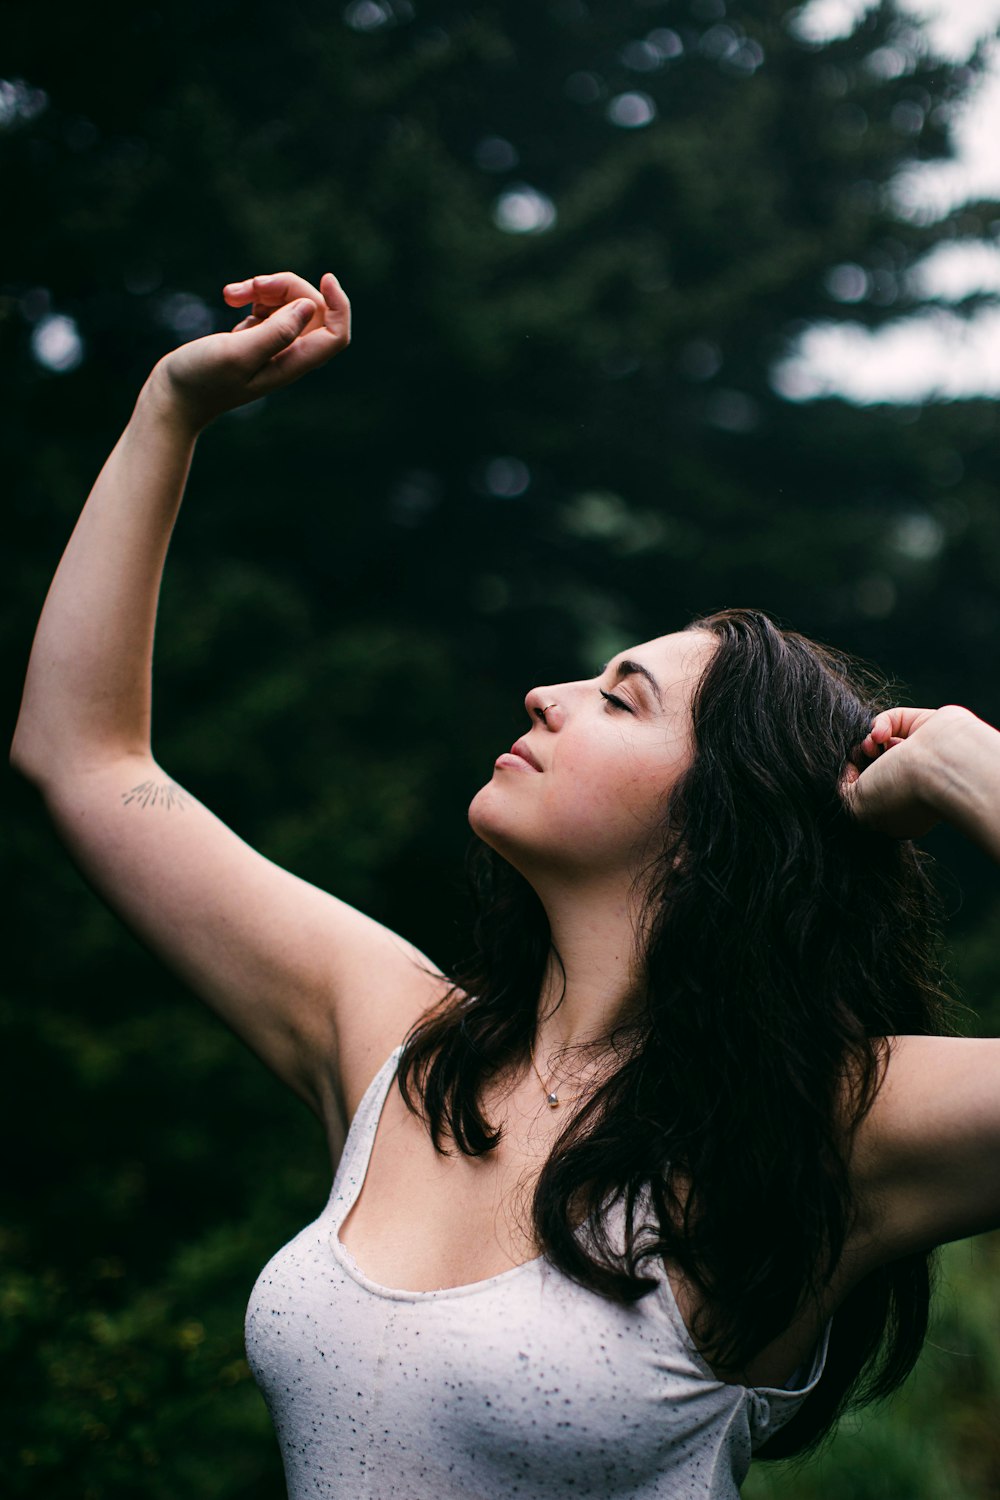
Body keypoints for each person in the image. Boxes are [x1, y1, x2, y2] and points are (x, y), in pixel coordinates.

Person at [12, 268, 1000, 1500]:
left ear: (712, 829)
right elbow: (85, 758)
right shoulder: (395, 1045)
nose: (548, 692)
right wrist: (170, 409)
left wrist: (976, 770)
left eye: (619, 697)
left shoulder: (828, 1124)